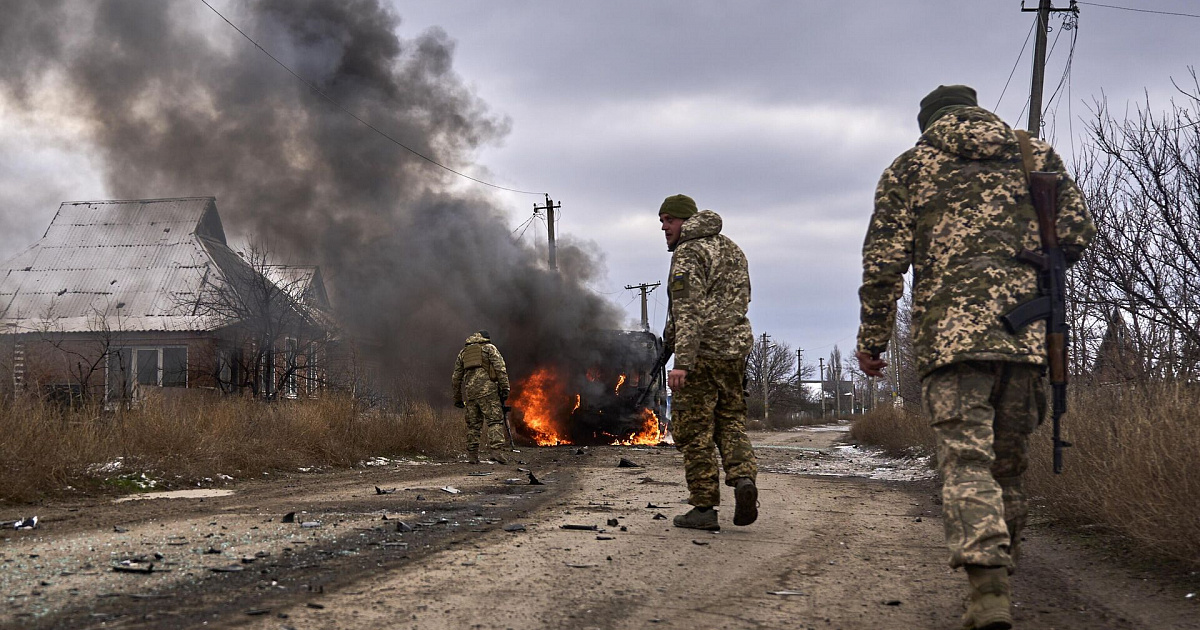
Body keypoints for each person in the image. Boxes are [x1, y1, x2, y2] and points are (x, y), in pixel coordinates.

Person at [856, 85, 1094, 630]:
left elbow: (883, 264)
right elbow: (1078, 234)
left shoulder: (910, 166)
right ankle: (1002, 580)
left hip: (951, 345)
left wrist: (872, 339)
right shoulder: (1035, 155)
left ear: (928, 123)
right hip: (1030, 339)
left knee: (966, 462)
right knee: (1008, 465)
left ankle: (988, 591)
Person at [658, 193, 759, 531]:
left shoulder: (690, 252)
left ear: (686, 220)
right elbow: (740, 300)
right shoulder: (731, 248)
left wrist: (681, 361)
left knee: (694, 431)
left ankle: (703, 508)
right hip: (735, 353)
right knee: (730, 421)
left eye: (669, 219)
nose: (663, 226)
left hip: (701, 355)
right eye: (661, 220)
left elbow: (688, 312)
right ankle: (743, 478)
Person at [451, 330, 511, 465]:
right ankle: (496, 452)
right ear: (486, 339)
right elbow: (500, 369)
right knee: (494, 421)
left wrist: (458, 398)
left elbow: (456, 378)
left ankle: (472, 455)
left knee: (473, 425)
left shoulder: (463, 352)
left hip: (471, 394)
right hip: (488, 392)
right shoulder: (489, 348)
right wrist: (505, 388)